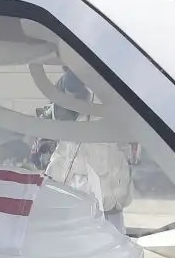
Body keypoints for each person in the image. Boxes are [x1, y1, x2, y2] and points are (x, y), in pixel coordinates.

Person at [40, 72, 141, 231]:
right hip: (78, 191)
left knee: (114, 235)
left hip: (112, 193)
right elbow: (62, 112)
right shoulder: (72, 81)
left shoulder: (120, 81)